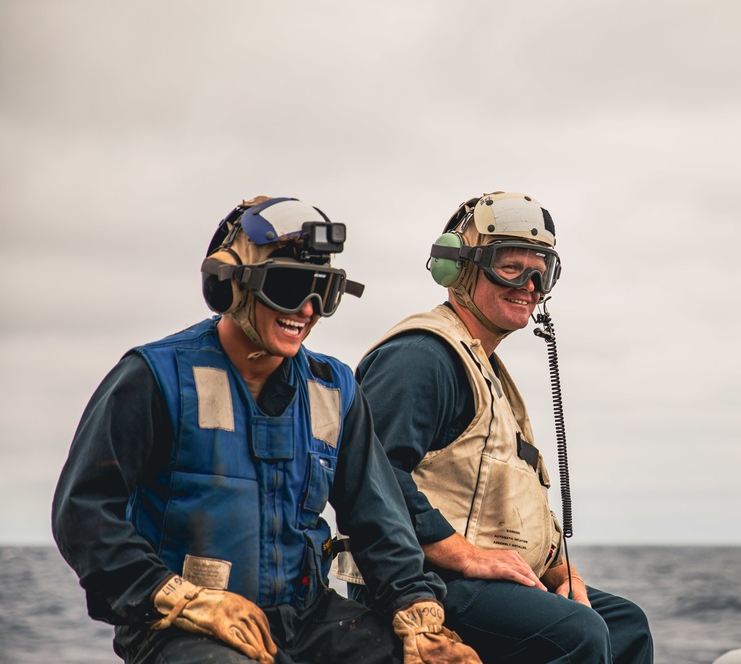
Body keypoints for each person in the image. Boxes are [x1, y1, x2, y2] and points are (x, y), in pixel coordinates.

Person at [52, 196, 481, 664]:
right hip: (179, 626)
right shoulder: (155, 376)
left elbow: (377, 517)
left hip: (307, 619)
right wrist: (177, 597)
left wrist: (415, 609)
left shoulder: (334, 390)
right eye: (290, 286)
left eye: (324, 290)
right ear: (228, 286)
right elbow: (83, 512)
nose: (308, 308)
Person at [338, 192, 654, 663]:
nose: (529, 283)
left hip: (483, 580)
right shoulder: (421, 357)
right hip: (422, 583)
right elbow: (372, 477)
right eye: (510, 266)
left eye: (541, 269)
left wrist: (560, 572)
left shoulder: (485, 368)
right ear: (457, 269)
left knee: (625, 624)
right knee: (578, 633)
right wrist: (464, 555)